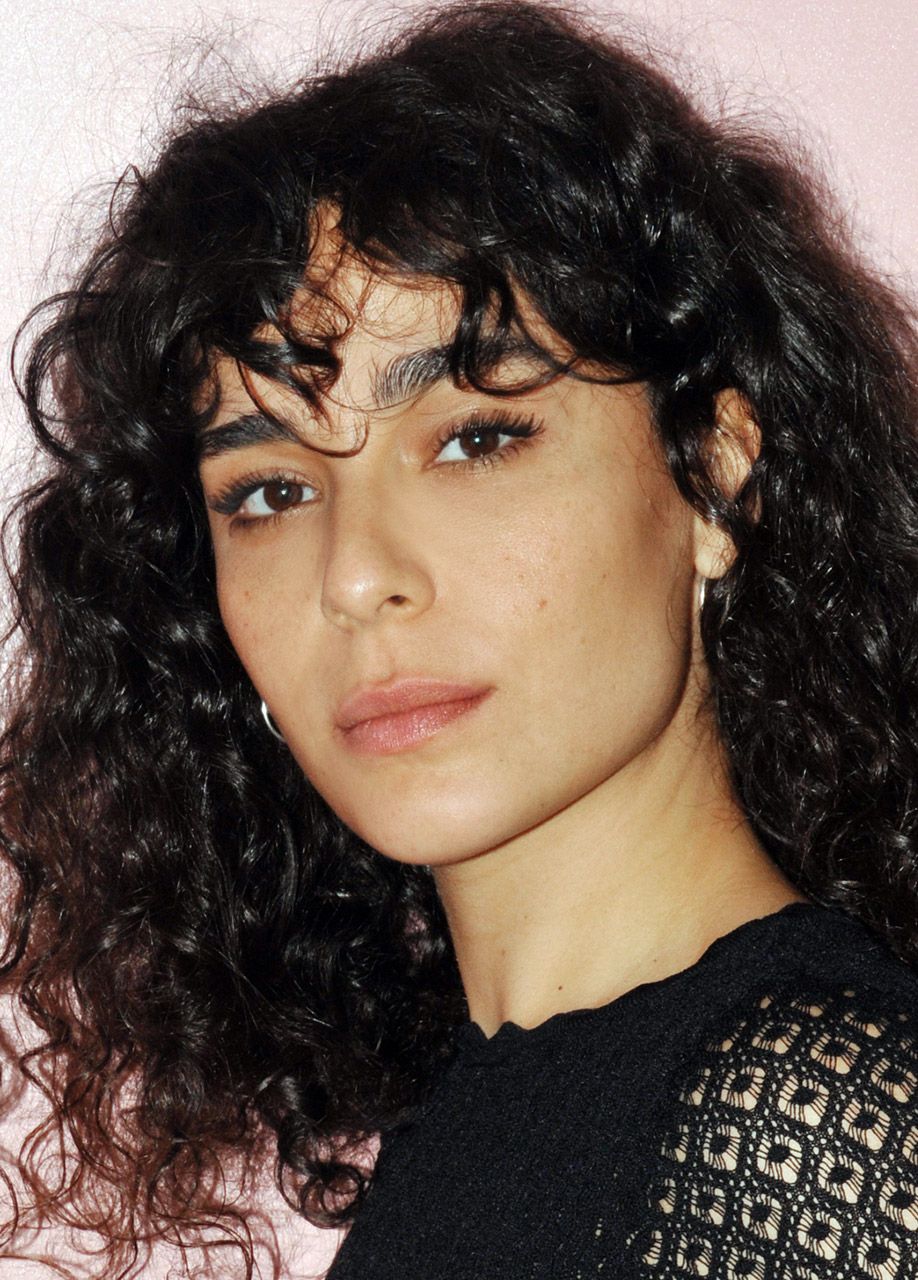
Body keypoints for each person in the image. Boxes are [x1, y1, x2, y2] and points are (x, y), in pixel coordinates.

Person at [2, 1, 917, 1276]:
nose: (356, 575)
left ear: (714, 480)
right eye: (269, 490)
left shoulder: (819, 1123)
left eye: (477, 438)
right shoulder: (463, 1117)